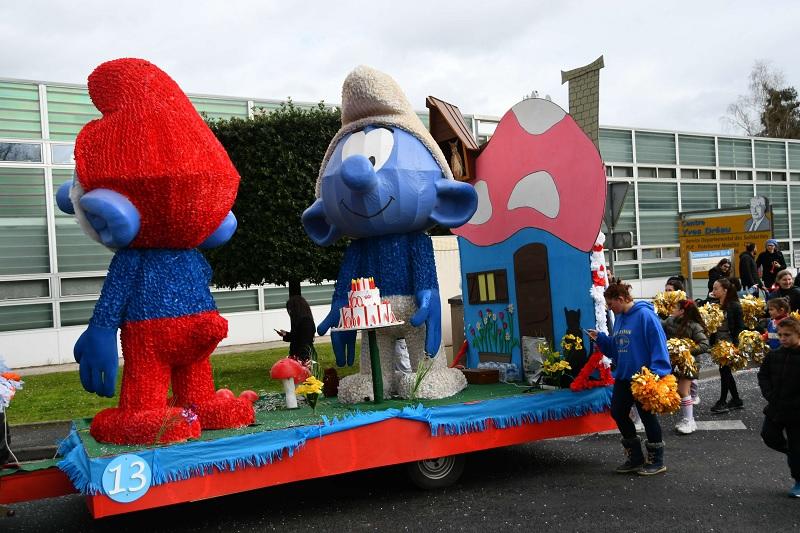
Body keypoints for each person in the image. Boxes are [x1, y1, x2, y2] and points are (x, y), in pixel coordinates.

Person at [588, 281, 671, 475]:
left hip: (644, 378)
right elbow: (617, 350)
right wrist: (600, 338)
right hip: (624, 377)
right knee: (618, 412)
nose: (609, 308)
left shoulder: (645, 315)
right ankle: (635, 457)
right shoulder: (620, 318)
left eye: (611, 304)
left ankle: (656, 460)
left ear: (621, 299)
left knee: (647, 417)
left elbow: (659, 343)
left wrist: (657, 372)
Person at [757, 316, 800, 498]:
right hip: (776, 407)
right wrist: (769, 394)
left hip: (797, 412)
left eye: (787, 335)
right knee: (769, 435)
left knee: (798, 449)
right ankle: (794, 452)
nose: (783, 338)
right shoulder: (774, 355)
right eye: (780, 335)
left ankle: (799, 481)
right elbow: (763, 375)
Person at [662, 300, 710, 435]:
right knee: (680, 391)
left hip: (690, 363)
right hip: (674, 362)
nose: (672, 309)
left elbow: (705, 345)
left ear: (682, 311)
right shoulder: (670, 321)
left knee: (683, 391)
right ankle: (688, 420)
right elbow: (658, 325)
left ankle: (689, 421)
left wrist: (685, 351)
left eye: (675, 307)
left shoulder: (694, 326)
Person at [709, 278, 746, 414]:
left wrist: (735, 345)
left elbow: (740, 327)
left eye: (716, 288)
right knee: (725, 372)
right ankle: (736, 399)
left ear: (725, 290)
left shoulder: (734, 305)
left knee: (725, 372)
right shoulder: (715, 304)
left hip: (729, 343)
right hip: (719, 343)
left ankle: (723, 401)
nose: (713, 291)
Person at [277, 295, 316, 362]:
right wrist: (285, 334)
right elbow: (296, 337)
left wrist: (302, 359)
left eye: (290, 309)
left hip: (303, 356)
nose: (289, 312)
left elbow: (305, 341)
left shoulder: (306, 321)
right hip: (297, 355)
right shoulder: (299, 320)